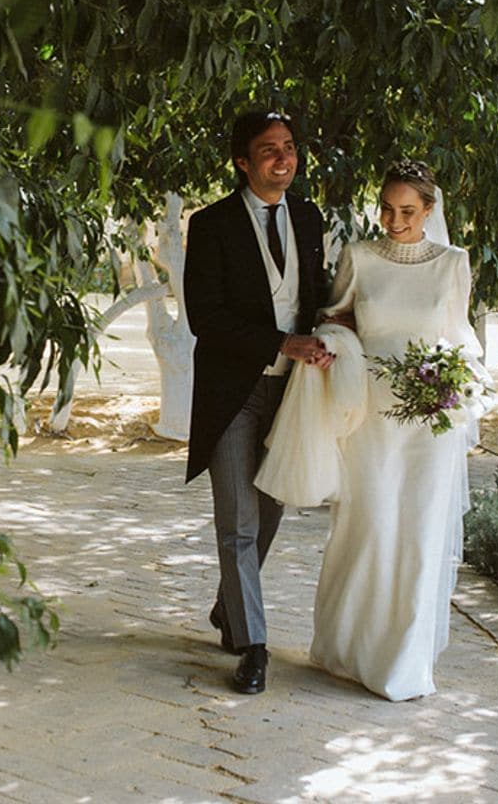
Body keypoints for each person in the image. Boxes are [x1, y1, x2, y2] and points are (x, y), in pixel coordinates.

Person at [307, 159, 491, 701]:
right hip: (371, 415)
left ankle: (403, 663)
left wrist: (455, 383)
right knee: (368, 527)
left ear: (430, 211)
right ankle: (347, 649)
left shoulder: (454, 263)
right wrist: (331, 345)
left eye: (407, 211)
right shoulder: (360, 257)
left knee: (418, 533)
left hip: (430, 422)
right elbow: (333, 317)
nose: (394, 220)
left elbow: (459, 336)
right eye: (386, 208)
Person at [183, 110, 332, 694]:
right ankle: (252, 647)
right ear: (242, 162)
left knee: (271, 512)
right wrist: (279, 343)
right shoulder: (213, 223)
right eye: (268, 149)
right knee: (239, 522)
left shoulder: (310, 216)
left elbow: (316, 298)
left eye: (290, 147)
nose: (283, 158)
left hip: (292, 395)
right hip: (232, 393)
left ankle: (230, 605)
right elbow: (206, 317)